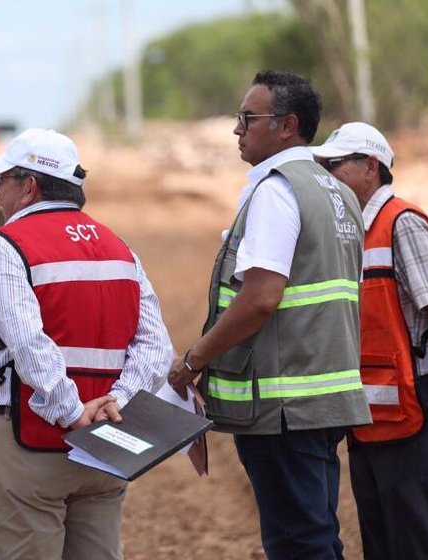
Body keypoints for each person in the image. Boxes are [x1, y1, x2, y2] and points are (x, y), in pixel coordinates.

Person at [168, 71, 372, 559]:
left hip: (284, 406)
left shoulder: (277, 191)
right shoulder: (337, 193)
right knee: (318, 534)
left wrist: (195, 360)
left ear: (288, 126)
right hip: (326, 399)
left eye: (247, 118)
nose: (237, 129)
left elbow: (261, 296)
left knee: (298, 543)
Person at [0, 128, 174, 560]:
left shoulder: (9, 246)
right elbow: (156, 349)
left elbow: (28, 343)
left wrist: (72, 412)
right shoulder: (120, 249)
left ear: (28, 186)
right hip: (107, 448)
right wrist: (116, 401)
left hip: (33, 444)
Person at [311, 122, 428, 559]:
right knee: (380, 543)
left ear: (370, 167)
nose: (327, 177)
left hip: (416, 408)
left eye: (334, 165)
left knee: (413, 543)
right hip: (369, 416)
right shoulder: (351, 232)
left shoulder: (403, 224)